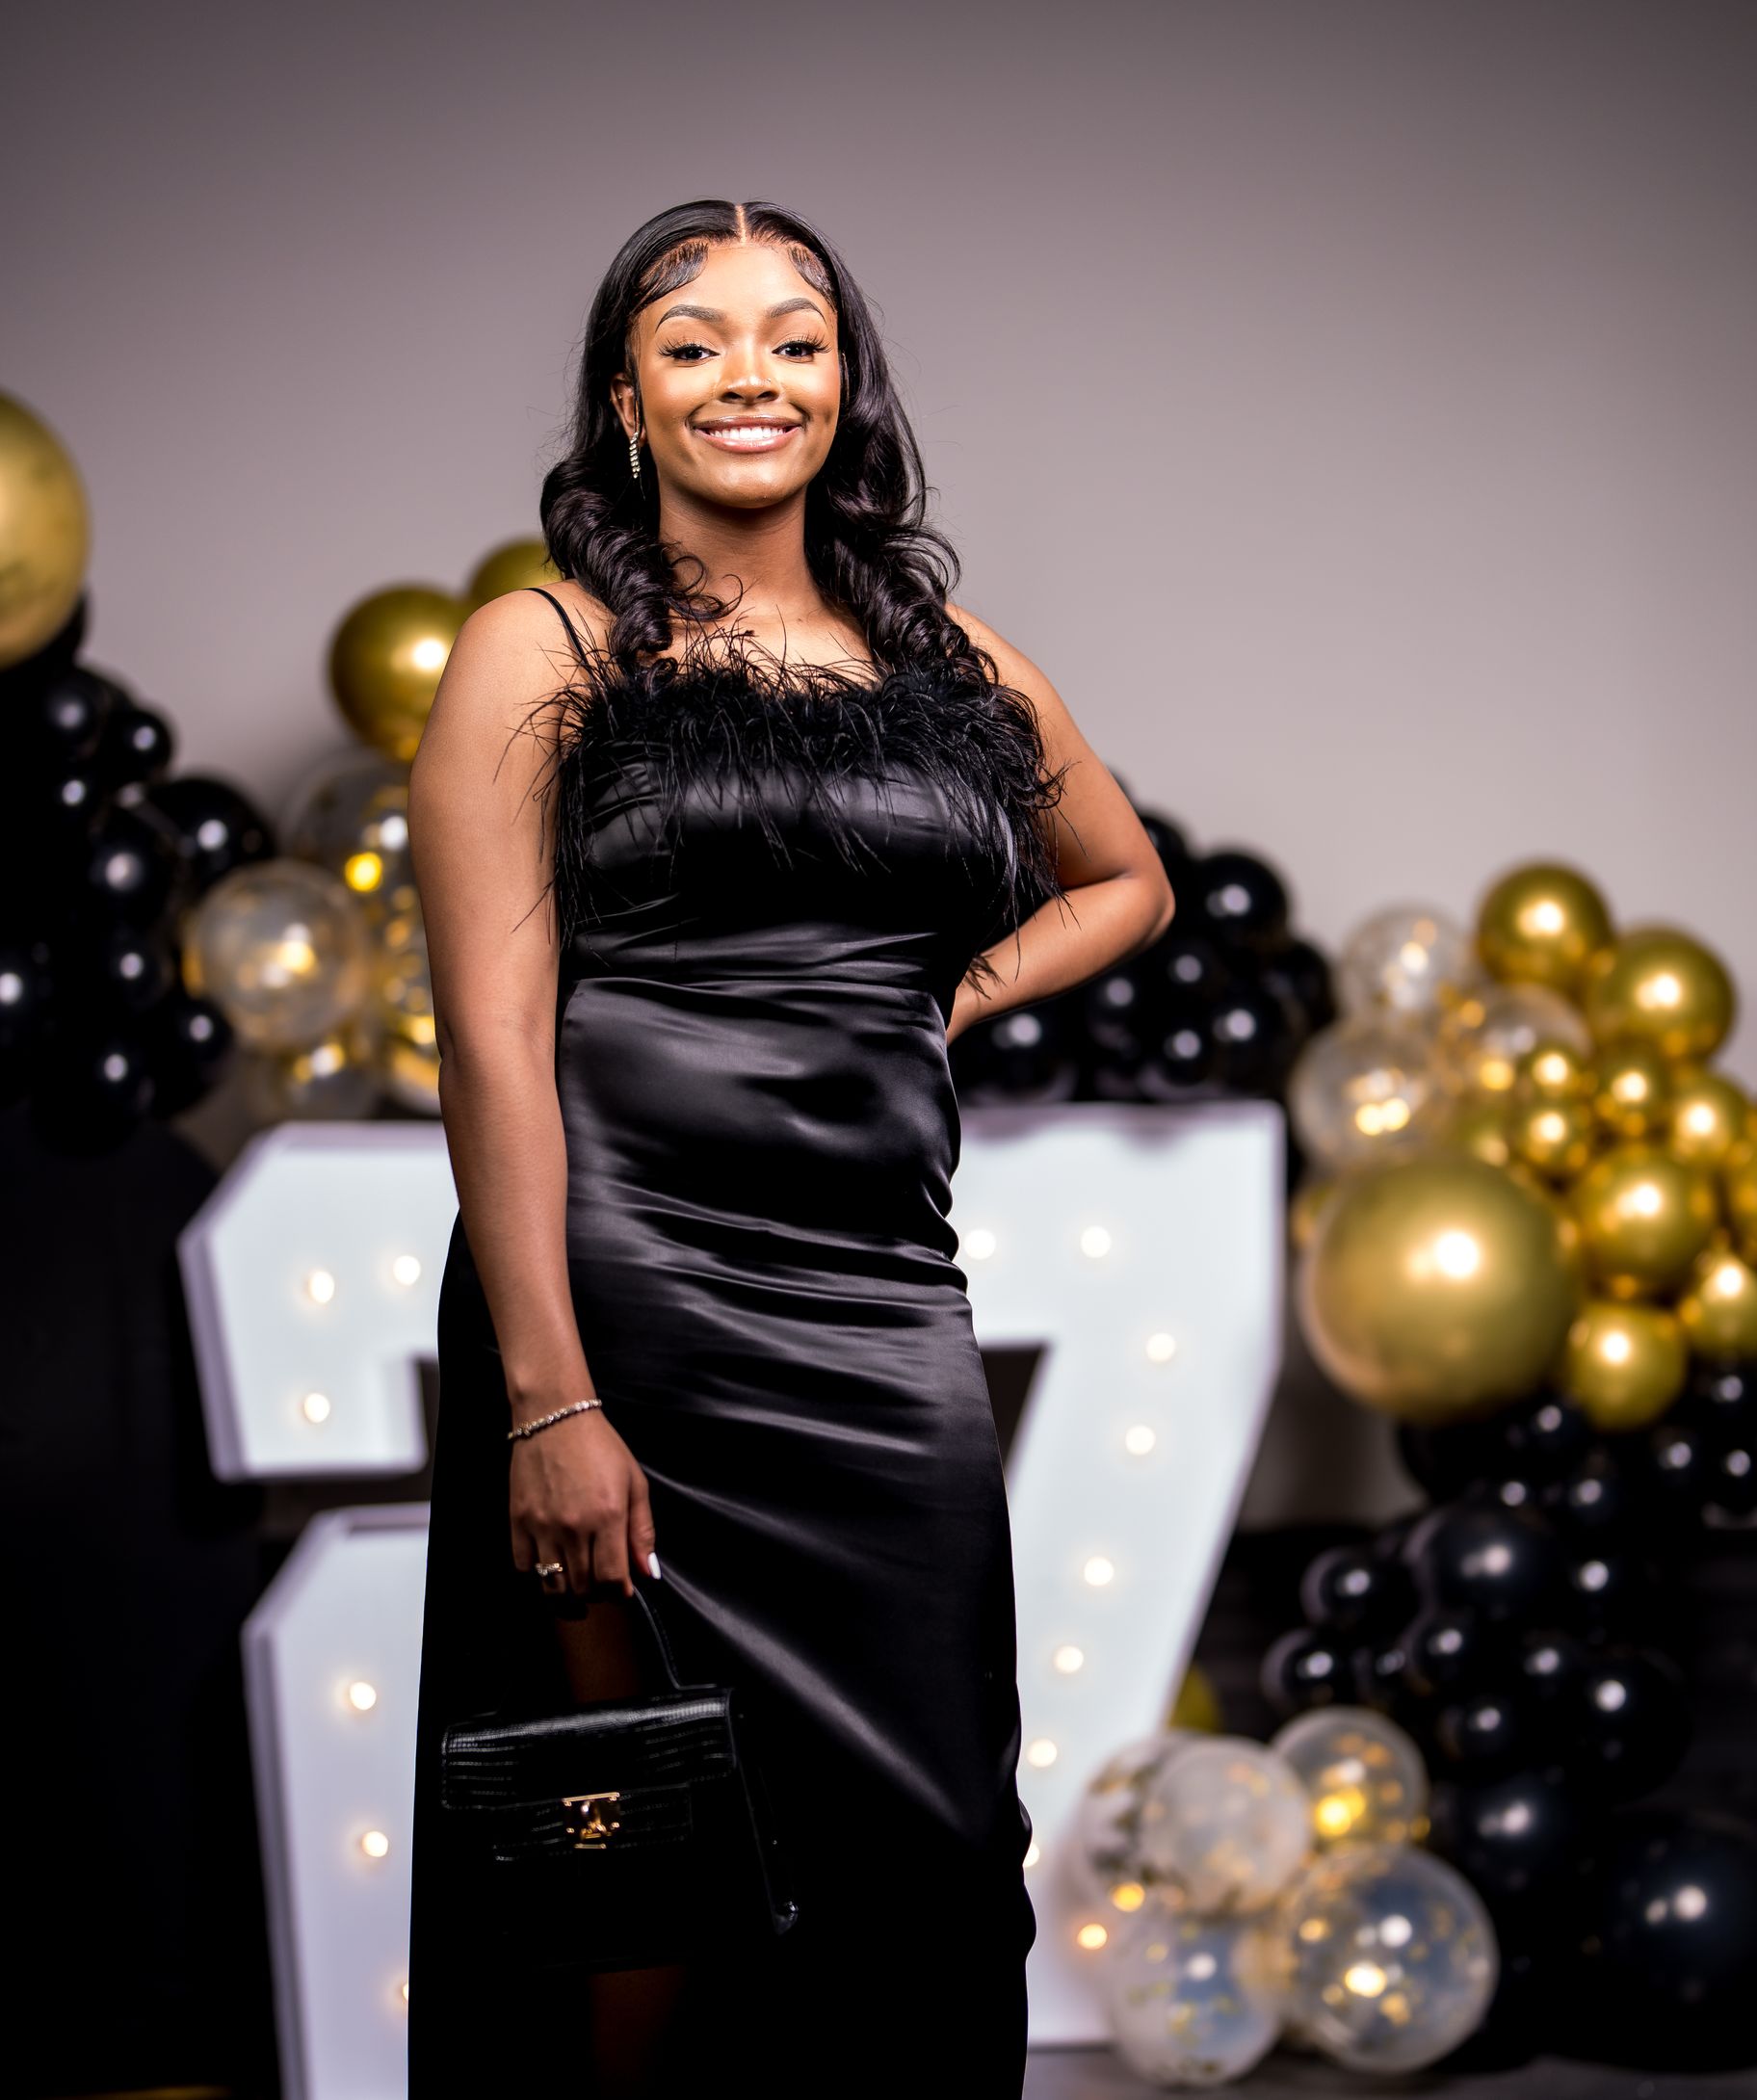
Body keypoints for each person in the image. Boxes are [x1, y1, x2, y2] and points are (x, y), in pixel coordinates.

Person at [406, 197, 1173, 2097]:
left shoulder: (954, 657)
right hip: (628, 1297)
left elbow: (1127, 880)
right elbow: (496, 1041)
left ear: (849, 382)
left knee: (931, 1848)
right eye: (695, 341)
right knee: (651, 1858)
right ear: (627, 397)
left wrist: (941, 998)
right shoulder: (542, 644)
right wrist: (548, 1400)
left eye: (796, 336)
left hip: (881, 1304)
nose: (751, 371)